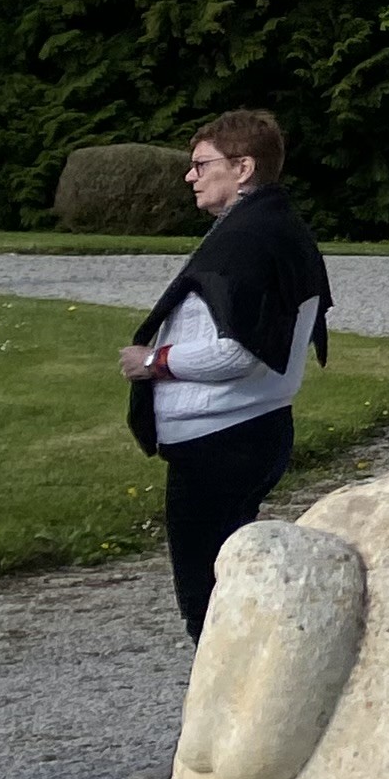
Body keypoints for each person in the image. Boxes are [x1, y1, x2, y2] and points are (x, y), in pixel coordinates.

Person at [116, 109, 334, 641]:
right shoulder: (271, 228)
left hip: (220, 443)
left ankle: (229, 715)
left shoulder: (249, 241)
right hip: (248, 433)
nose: (190, 176)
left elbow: (240, 352)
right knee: (231, 586)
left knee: (208, 605)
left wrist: (153, 362)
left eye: (200, 164)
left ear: (242, 168)